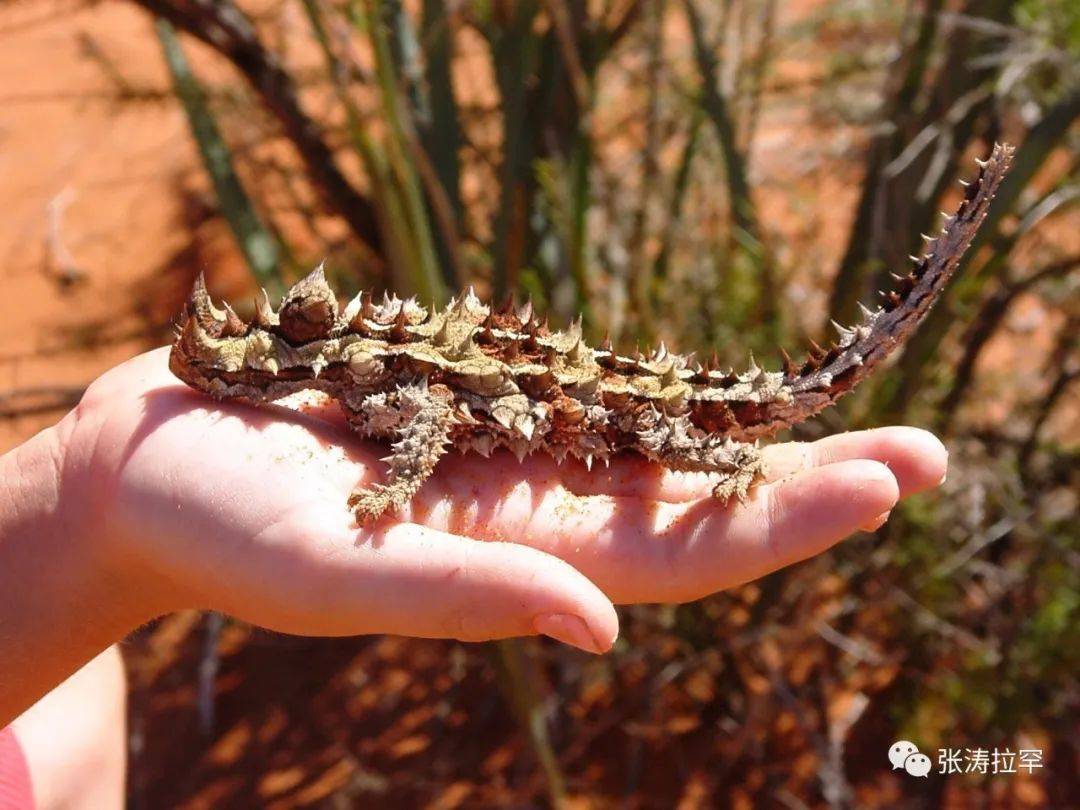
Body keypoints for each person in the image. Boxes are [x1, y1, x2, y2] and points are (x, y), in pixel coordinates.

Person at [0, 347, 949, 808]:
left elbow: (421, 417)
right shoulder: (335, 383)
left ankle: (726, 459)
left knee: (662, 444)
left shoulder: (362, 380)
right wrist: (88, 498)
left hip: (611, 407)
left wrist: (85, 505)